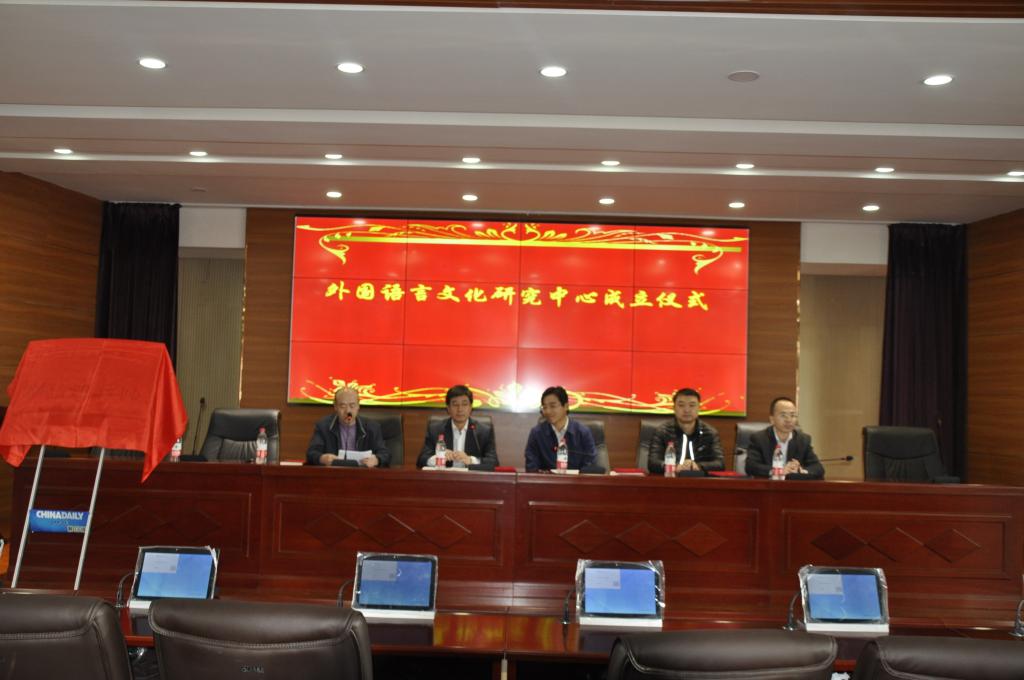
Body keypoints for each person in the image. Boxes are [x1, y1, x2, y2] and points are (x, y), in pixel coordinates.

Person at [417, 385, 499, 469]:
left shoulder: (484, 431)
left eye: (464, 404)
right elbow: (421, 460)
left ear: (470, 407)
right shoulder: (435, 429)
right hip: (445, 476)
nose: (460, 409)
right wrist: (439, 457)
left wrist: (470, 460)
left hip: (471, 476)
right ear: (448, 408)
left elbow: (493, 462)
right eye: (455, 404)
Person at [647, 387, 724, 474]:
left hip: (700, 480)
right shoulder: (662, 431)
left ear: (699, 408)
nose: (687, 410)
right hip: (671, 479)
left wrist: (698, 466)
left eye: (692, 405)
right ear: (674, 408)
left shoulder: (710, 433)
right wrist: (675, 467)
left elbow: (720, 464)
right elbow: (652, 463)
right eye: (681, 405)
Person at [305, 387, 389, 467]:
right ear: (335, 406)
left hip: (362, 474)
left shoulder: (372, 427)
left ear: (358, 406)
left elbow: (385, 454)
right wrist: (322, 458)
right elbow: (311, 453)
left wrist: (377, 460)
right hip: (334, 473)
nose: (348, 411)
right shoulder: (323, 426)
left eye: (352, 406)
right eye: (343, 406)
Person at [745, 396, 824, 479]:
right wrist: (779, 471)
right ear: (772, 419)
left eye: (792, 415)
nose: (788, 420)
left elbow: (818, 468)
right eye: (783, 415)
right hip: (768, 485)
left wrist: (801, 471)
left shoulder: (803, 440)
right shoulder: (759, 439)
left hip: (792, 486)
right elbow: (750, 467)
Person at [524, 386, 596, 472]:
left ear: (566, 406)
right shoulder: (537, 434)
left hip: (576, 480)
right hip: (548, 480)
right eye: (545, 407)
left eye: (552, 406)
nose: (548, 411)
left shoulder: (583, 433)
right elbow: (531, 466)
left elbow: (590, 465)